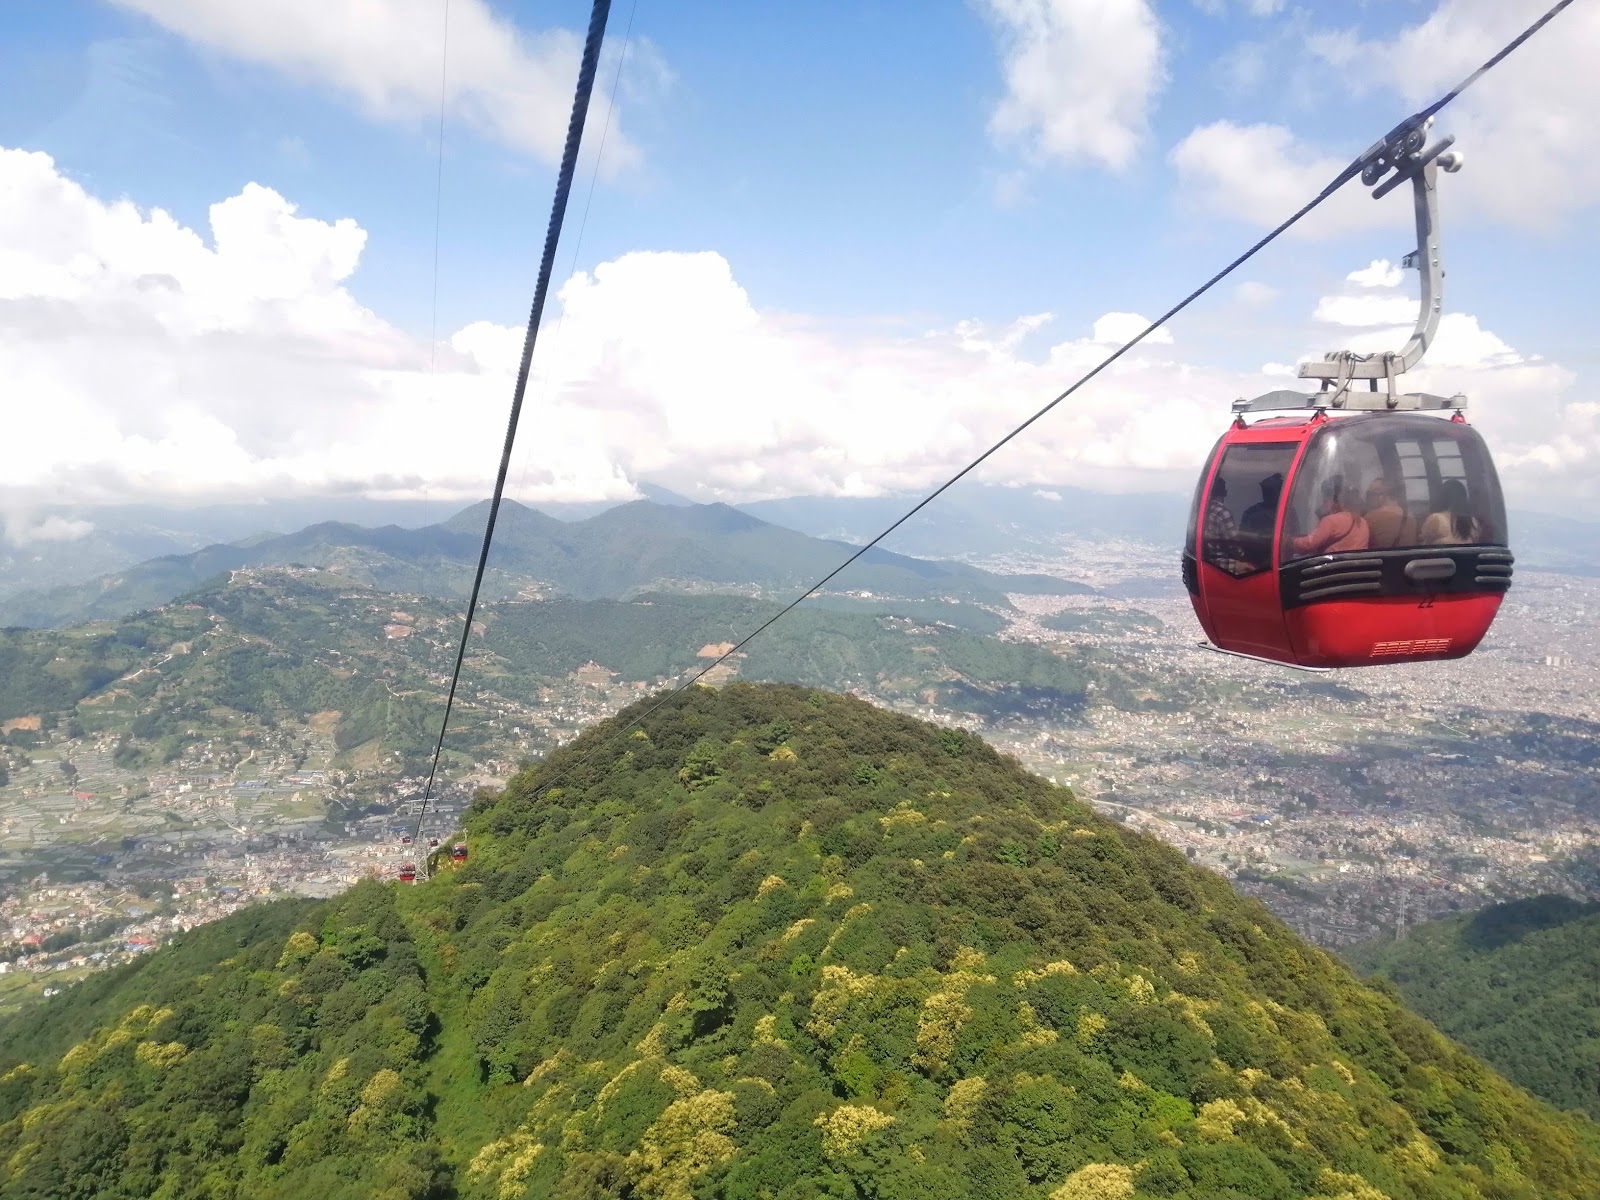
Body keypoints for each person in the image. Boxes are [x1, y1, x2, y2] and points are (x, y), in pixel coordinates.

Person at [1288, 475, 1369, 557]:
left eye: (1325, 499)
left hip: (1334, 568)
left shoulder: (1331, 521)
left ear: (1335, 499)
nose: (1323, 504)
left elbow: (1309, 543)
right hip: (1358, 567)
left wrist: (1289, 541)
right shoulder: (1363, 522)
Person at [1203, 477, 1251, 575]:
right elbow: (1233, 544)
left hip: (1206, 563)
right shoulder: (1222, 512)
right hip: (1222, 565)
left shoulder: (1202, 511)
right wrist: (1246, 556)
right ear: (1224, 493)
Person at [1238, 473, 1283, 569]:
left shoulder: (1288, 511)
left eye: (1271, 491)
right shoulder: (1251, 513)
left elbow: (1292, 539)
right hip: (1254, 567)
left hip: (1281, 564)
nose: (1267, 494)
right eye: (1266, 491)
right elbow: (1243, 541)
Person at [1420, 478, 1482, 545]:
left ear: (1442, 496)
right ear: (1464, 498)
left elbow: (1425, 544)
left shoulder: (1436, 519)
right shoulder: (1473, 521)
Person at [1363, 478, 1413, 548]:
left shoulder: (1370, 518)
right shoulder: (1410, 517)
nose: (1368, 498)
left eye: (1371, 494)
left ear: (1384, 495)